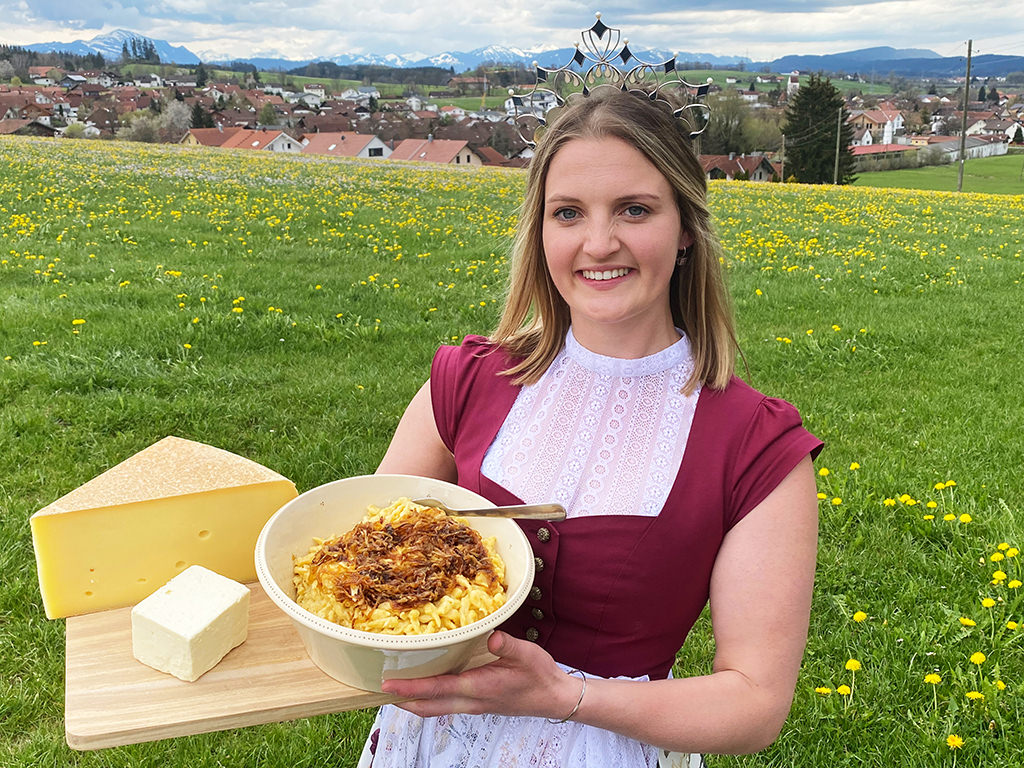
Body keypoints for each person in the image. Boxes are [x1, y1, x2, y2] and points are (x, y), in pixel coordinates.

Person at [359, 86, 822, 768]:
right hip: (430, 741)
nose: (598, 243)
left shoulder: (757, 447)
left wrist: (565, 696)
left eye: (634, 210)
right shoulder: (463, 381)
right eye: (568, 212)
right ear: (540, 229)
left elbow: (755, 705)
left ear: (685, 227)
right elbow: (367, 545)